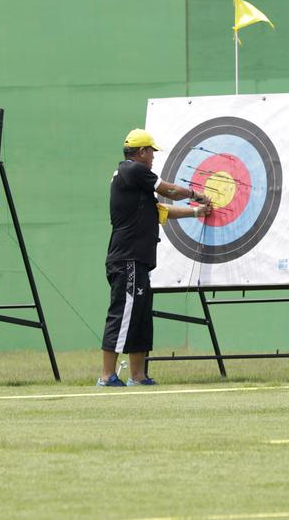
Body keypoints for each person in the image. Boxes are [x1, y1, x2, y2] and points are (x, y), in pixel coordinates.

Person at [99, 129, 211, 387]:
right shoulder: (133, 170)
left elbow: (162, 210)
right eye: (151, 152)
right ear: (141, 152)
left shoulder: (134, 181)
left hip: (138, 260)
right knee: (123, 314)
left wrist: (196, 213)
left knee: (139, 317)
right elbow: (169, 191)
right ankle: (106, 376)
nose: (153, 158)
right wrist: (197, 194)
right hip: (128, 259)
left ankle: (137, 376)